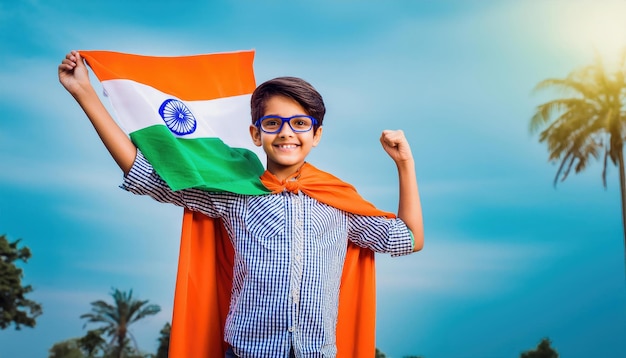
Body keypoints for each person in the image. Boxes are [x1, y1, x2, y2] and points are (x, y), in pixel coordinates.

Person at [58, 50, 424, 358]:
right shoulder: (235, 194)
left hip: (317, 350)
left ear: (317, 135)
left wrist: (404, 164)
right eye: (273, 122)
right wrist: (85, 94)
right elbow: (145, 174)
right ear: (255, 133)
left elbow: (406, 238)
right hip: (248, 349)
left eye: (299, 123)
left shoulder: (338, 202)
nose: (286, 132)